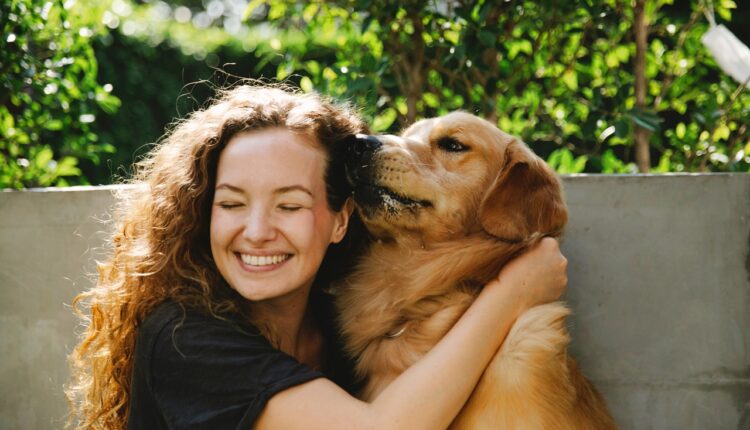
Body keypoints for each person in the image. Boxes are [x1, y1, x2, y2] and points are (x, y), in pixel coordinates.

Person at [67, 83, 568, 430]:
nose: (258, 232)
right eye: (232, 204)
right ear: (203, 213)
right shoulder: (185, 340)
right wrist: (513, 293)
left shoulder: (345, 324)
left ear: (342, 219)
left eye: (289, 205)